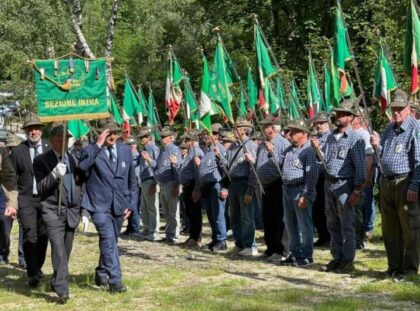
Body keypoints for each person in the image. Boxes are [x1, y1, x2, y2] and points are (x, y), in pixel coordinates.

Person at [78, 119, 138, 293]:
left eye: (115, 133)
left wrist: (131, 204)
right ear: (101, 133)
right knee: (108, 239)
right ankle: (115, 280)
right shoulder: (91, 149)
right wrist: (97, 145)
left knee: (112, 240)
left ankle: (101, 271)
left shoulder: (125, 150)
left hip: (120, 204)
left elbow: (132, 180)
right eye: (108, 133)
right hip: (98, 204)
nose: (112, 136)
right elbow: (82, 168)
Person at [311, 99, 366, 274]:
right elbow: (323, 161)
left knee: (347, 226)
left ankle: (348, 260)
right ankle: (337, 257)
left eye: (342, 114)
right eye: (337, 113)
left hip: (345, 184)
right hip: (329, 184)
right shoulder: (330, 137)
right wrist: (317, 150)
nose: (338, 116)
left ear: (350, 117)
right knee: (332, 223)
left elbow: (360, 168)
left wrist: (357, 190)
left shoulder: (354, 138)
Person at [371, 90, 420, 278]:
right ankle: (394, 266)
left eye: (400, 108)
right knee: (390, 228)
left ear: (408, 109)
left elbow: (418, 161)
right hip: (386, 182)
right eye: (394, 109)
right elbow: (382, 157)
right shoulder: (389, 129)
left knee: (410, 228)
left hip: (405, 182)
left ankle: (409, 269)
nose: (396, 112)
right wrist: (377, 146)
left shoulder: (415, 129)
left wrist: (414, 186)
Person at [34, 123, 84, 304]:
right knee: (58, 249)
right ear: (52, 140)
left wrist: (83, 210)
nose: (64, 142)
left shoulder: (73, 158)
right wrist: (54, 174)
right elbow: (40, 188)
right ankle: (62, 290)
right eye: (60, 139)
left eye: (67, 139)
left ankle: (56, 279)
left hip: (71, 210)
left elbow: (79, 185)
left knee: (66, 250)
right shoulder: (41, 160)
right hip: (52, 209)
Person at [11, 112, 50, 287]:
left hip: (47, 199)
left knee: (43, 236)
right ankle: (32, 273)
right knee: (29, 235)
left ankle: (38, 267)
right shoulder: (19, 151)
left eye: (36, 128)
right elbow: (11, 178)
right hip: (26, 199)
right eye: (30, 129)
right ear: (26, 131)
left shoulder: (50, 148)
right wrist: (12, 203)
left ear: (41, 129)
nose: (33, 131)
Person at [248, 116, 290, 262]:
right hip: (264, 185)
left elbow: (284, 164)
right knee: (268, 218)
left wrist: (273, 153)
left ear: (273, 127)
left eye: (266, 126)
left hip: (277, 183)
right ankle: (270, 247)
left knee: (279, 218)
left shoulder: (283, 143)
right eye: (262, 126)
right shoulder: (262, 145)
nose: (263, 129)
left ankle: (282, 249)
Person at [281, 119, 319, 267]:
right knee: (290, 224)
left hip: (300, 189)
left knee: (304, 225)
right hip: (287, 189)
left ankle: (307, 255)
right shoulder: (289, 150)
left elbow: (312, 175)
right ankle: (295, 252)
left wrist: (305, 194)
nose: (290, 134)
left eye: (294, 131)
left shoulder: (309, 150)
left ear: (304, 133)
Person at [225, 119, 258, 257]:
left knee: (246, 217)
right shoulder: (233, 146)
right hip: (233, 183)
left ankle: (250, 244)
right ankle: (239, 243)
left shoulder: (249, 145)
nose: (235, 130)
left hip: (245, 183)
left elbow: (253, 169)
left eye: (237, 128)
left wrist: (250, 190)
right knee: (235, 216)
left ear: (245, 130)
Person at [195, 126, 228, 252]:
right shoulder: (207, 150)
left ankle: (222, 240)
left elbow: (226, 168)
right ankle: (215, 238)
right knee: (210, 214)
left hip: (216, 184)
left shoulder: (220, 148)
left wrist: (224, 187)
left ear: (216, 135)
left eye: (209, 134)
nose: (206, 136)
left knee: (218, 214)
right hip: (207, 185)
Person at [352, 109, 375, 249]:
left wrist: (366, 178)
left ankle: (359, 240)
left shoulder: (364, 135)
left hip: (361, 177)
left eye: (353, 117)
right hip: (351, 177)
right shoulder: (351, 134)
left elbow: (369, 159)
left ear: (357, 120)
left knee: (359, 209)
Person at [155, 126, 181, 243]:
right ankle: (169, 234)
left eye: (164, 136)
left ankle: (174, 235)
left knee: (173, 211)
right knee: (166, 212)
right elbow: (159, 167)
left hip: (171, 183)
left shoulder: (174, 149)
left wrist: (177, 185)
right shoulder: (163, 150)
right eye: (161, 136)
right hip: (163, 184)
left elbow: (176, 168)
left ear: (170, 137)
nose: (162, 139)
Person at [4, 133, 26, 268]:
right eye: (9, 148)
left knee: (24, 230)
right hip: (7, 201)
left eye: (14, 148)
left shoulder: (25, 160)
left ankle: (23, 258)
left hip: (23, 199)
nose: (11, 151)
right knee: (4, 229)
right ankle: (3, 253)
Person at [179, 132, 204, 247]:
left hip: (193, 185)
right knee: (190, 212)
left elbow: (197, 171)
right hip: (188, 186)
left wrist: (197, 188)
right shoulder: (191, 152)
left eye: (187, 140)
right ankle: (192, 235)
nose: (186, 143)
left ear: (192, 140)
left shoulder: (196, 152)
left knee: (195, 212)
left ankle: (196, 236)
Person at [311, 112, 331, 247]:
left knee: (326, 208)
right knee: (316, 208)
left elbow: (326, 158)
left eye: (322, 123)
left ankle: (329, 236)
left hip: (325, 176)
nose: (319, 125)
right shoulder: (314, 138)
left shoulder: (330, 137)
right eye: (317, 123)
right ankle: (322, 235)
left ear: (327, 123)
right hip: (314, 176)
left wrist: (317, 148)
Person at [137, 127, 160, 241]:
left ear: (149, 137)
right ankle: (146, 229)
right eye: (140, 137)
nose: (141, 139)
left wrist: (155, 183)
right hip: (144, 181)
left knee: (152, 208)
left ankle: (154, 231)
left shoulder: (154, 149)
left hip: (151, 180)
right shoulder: (144, 149)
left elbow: (157, 166)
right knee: (144, 207)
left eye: (143, 137)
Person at [0, 145, 18, 265]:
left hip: (2, 195)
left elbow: (9, 177)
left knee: (4, 228)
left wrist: (12, 203)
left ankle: (3, 252)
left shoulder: (1, 151)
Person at [121, 136, 141, 236]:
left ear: (133, 146)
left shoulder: (137, 156)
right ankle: (130, 227)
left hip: (135, 184)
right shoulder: (129, 156)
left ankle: (135, 228)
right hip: (130, 184)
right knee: (129, 205)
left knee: (134, 207)